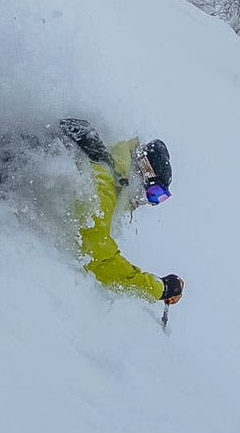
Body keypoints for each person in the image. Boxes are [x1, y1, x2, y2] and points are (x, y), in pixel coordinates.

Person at [56, 117, 184, 307]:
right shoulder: (103, 187)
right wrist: (160, 288)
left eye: (157, 199)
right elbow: (99, 260)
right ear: (141, 169)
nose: (145, 202)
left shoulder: (102, 163)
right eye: (153, 193)